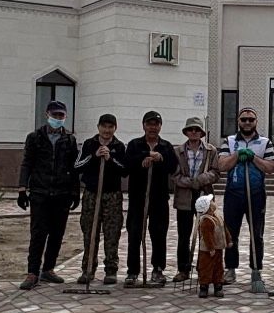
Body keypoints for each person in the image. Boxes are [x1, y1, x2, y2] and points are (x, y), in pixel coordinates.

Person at [17, 98, 78, 290]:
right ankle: (32, 272)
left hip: (62, 193)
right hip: (40, 192)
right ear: (47, 115)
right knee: (38, 233)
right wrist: (21, 189)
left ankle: (49, 268)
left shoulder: (69, 139)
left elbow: (73, 167)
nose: (58, 118)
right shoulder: (35, 137)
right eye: (55, 115)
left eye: (61, 115)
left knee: (57, 233)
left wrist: (75, 192)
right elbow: (27, 163)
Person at [216, 106, 274, 283]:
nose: (247, 122)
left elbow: (270, 167)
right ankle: (230, 268)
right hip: (234, 193)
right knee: (230, 233)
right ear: (238, 121)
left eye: (251, 119)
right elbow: (222, 165)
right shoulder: (229, 141)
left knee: (256, 234)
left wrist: (253, 157)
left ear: (256, 122)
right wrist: (237, 155)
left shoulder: (265, 142)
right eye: (244, 119)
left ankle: (256, 269)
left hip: (257, 194)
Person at [124, 110, 178, 287]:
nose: (153, 127)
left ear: (160, 126)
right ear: (144, 125)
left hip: (159, 198)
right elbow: (127, 166)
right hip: (138, 198)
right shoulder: (134, 145)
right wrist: (143, 159)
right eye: (149, 124)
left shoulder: (166, 146)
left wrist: (160, 158)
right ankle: (132, 272)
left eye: (156, 124)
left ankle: (158, 269)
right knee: (134, 234)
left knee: (159, 234)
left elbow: (173, 167)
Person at [74, 114, 128, 286]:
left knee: (112, 233)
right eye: (104, 126)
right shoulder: (89, 144)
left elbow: (125, 170)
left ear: (115, 128)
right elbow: (77, 166)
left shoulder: (119, 146)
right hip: (92, 193)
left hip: (112, 195)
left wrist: (110, 159)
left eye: (110, 127)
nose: (107, 130)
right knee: (90, 232)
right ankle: (88, 269)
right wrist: (95, 156)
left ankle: (111, 270)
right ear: (98, 127)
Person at [171, 118, 218, 278]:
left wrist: (201, 180)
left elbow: (215, 172)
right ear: (186, 132)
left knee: (206, 234)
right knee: (184, 235)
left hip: (204, 197)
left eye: (197, 130)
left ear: (201, 133)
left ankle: (203, 268)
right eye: (190, 129)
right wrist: (191, 182)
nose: (193, 132)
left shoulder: (210, 151)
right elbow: (175, 175)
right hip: (184, 197)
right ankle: (183, 269)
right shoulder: (178, 151)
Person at [193, 193, 228, 297]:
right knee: (206, 267)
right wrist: (211, 248)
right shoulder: (206, 221)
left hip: (218, 248)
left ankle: (218, 285)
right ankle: (204, 286)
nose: (213, 203)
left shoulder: (218, 217)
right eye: (211, 202)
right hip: (208, 250)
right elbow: (207, 237)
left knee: (218, 267)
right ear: (207, 208)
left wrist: (228, 240)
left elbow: (224, 230)